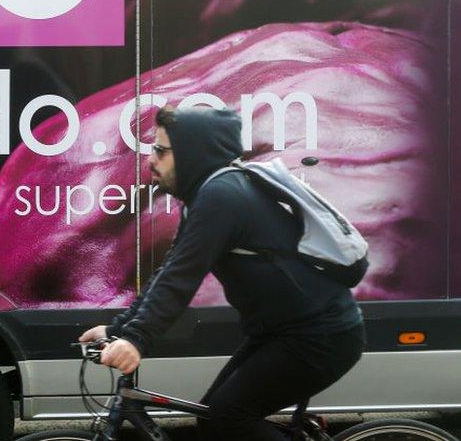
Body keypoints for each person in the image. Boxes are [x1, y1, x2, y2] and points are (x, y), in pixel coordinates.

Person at [79, 106, 365, 440]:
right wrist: (120, 329)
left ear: (190, 153)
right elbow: (168, 275)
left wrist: (136, 339)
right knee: (212, 418)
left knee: (228, 417)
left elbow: (180, 281)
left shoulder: (222, 197)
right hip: (283, 333)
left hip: (321, 337)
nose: (151, 160)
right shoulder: (209, 195)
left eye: (160, 150)